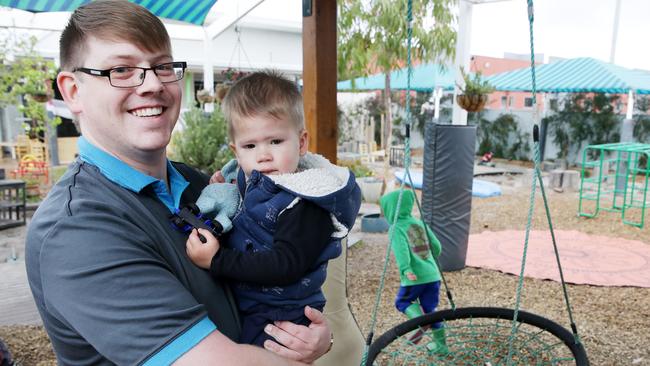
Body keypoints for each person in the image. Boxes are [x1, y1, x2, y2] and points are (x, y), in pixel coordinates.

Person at [25, 1, 332, 365]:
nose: (152, 84)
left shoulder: (198, 185)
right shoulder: (76, 228)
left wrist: (312, 339)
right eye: (121, 70)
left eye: (163, 66)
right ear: (72, 91)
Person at [185, 70, 362, 348]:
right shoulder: (253, 177)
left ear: (301, 142)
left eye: (276, 141)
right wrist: (226, 187)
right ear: (236, 151)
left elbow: (285, 265)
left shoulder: (305, 201)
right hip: (253, 302)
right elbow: (245, 197)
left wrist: (217, 262)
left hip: (281, 316)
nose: (263, 154)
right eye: (250, 145)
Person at [379, 189, 448, 354]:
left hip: (415, 278)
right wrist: (427, 260)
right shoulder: (419, 223)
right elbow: (436, 247)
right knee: (431, 311)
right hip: (433, 275)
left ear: (390, 209)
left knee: (402, 302)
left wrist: (406, 268)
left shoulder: (396, 228)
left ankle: (420, 321)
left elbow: (401, 250)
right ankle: (442, 347)